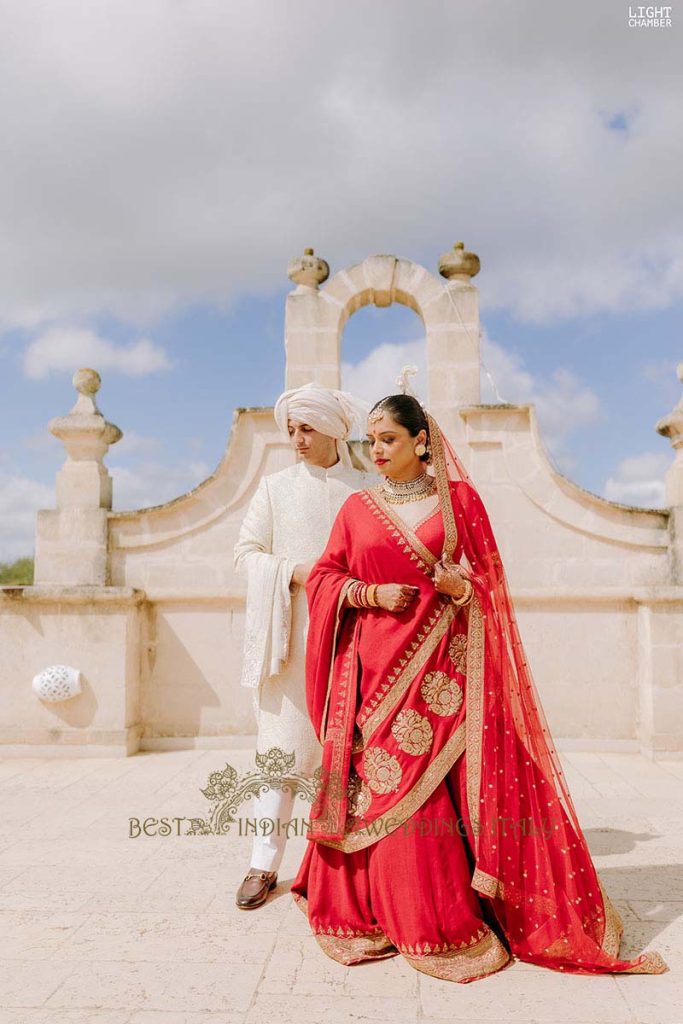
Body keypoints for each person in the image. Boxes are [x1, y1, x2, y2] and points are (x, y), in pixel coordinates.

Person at [291, 373, 667, 983]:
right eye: (371, 440)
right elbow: (324, 579)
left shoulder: (460, 501)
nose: (378, 451)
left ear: (421, 440)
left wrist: (460, 586)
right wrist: (365, 591)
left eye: (389, 438)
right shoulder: (357, 508)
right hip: (375, 676)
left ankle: (442, 915)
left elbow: (492, 584)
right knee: (383, 792)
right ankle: (377, 907)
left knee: (442, 797)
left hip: (446, 674)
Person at [233, 381, 373, 909]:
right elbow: (245, 555)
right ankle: (262, 864)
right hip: (289, 641)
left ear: (334, 430)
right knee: (281, 752)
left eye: (307, 428)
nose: (296, 438)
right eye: (292, 428)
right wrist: (294, 571)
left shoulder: (365, 490)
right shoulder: (275, 489)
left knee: (348, 753)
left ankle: (344, 868)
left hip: (353, 637)